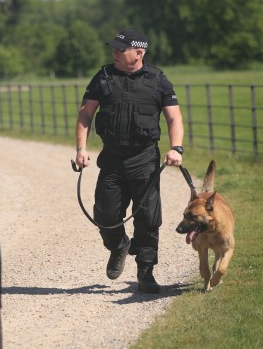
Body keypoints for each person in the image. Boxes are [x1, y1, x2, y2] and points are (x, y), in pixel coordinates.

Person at [74, 28, 184, 294]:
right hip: (111, 159)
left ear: (139, 53)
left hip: (145, 160)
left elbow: (174, 118)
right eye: (114, 48)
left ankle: (146, 273)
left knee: (148, 219)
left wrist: (176, 148)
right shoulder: (103, 77)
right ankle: (119, 244)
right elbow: (85, 114)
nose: (114, 53)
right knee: (105, 216)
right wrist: (81, 148)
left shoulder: (158, 80)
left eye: (120, 49)